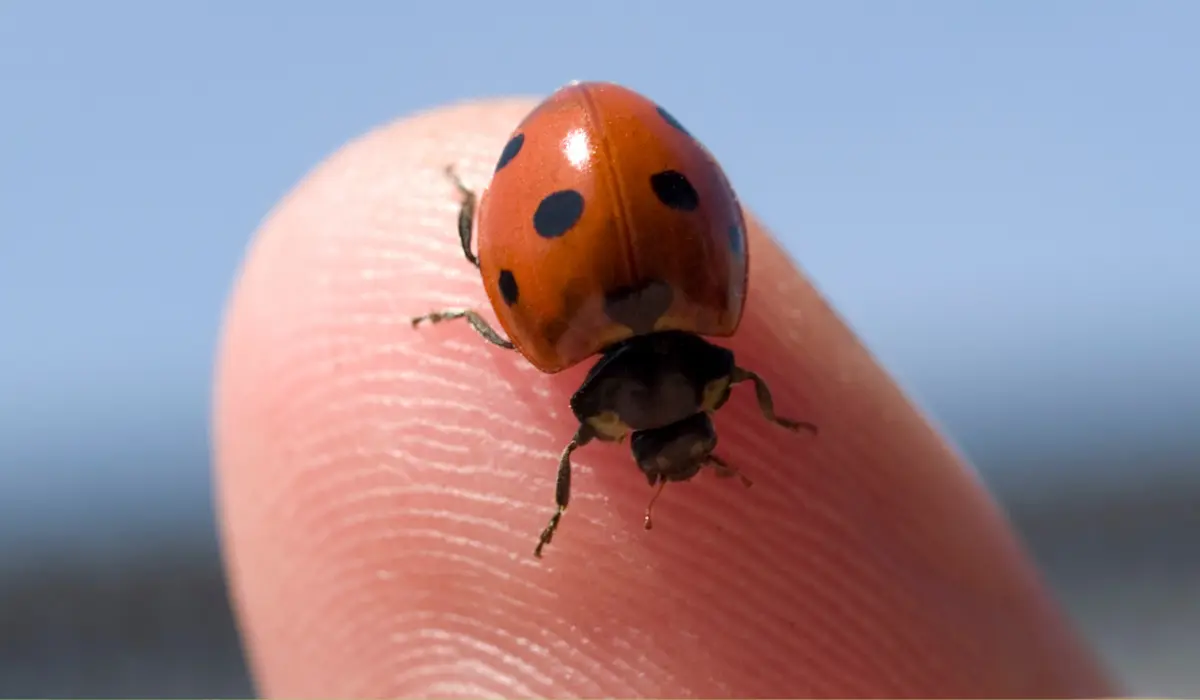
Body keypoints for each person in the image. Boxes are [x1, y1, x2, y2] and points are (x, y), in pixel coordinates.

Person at [211, 97, 1118, 698]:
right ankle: (464, 208)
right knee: (491, 287)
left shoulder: (675, 319)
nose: (675, 450)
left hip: (610, 200)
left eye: (660, 440)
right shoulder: (702, 315)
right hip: (626, 187)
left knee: (501, 300)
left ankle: (466, 202)